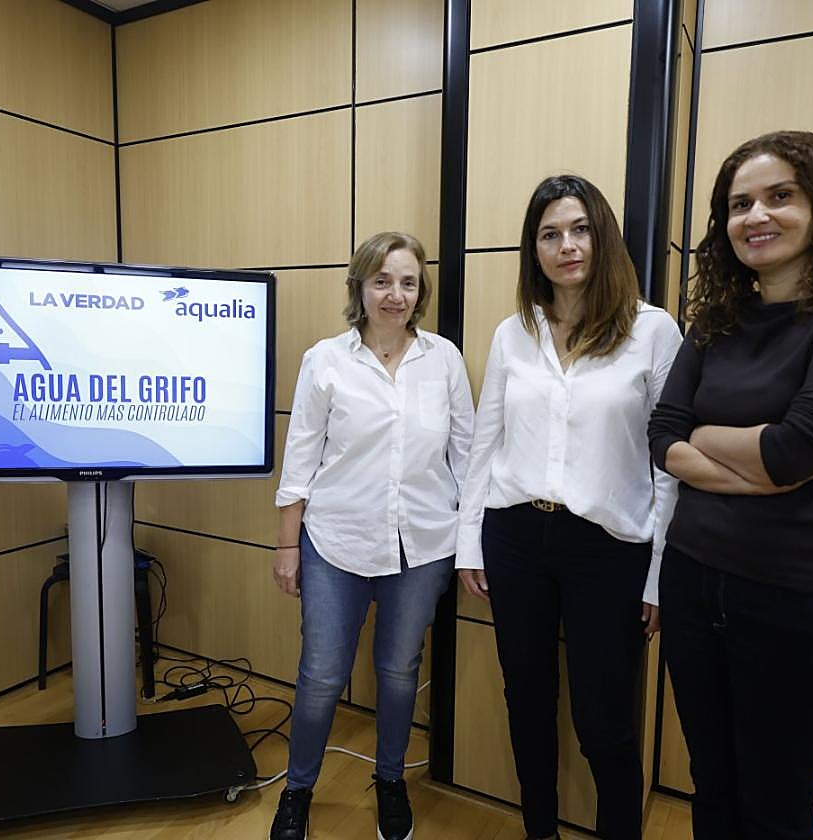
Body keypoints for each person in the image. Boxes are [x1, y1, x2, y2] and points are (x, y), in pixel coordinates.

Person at [647, 130, 813, 840]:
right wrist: (753, 461)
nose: (756, 216)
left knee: (776, 807)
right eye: (739, 204)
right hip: (695, 582)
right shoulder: (714, 322)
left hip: (798, 599)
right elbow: (663, 437)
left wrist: (713, 442)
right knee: (714, 788)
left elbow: (804, 448)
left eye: (779, 196)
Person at [457, 174, 682, 840]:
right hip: (516, 535)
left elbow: (667, 463)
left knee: (602, 717)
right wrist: (471, 540)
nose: (567, 245)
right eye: (550, 234)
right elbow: (484, 442)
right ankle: (540, 831)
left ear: (602, 234)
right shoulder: (514, 332)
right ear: (534, 250)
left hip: (609, 546)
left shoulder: (652, 331)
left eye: (579, 228)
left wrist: (658, 574)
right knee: (525, 701)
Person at [269, 231, 474, 840]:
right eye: (382, 280)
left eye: (408, 282)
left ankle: (389, 781)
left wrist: (474, 543)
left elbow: (466, 456)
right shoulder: (326, 360)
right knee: (322, 676)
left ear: (421, 290)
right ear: (359, 286)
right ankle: (297, 791)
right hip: (336, 541)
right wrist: (286, 545)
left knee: (397, 670)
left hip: (423, 544)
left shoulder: (444, 359)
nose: (395, 294)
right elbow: (300, 458)